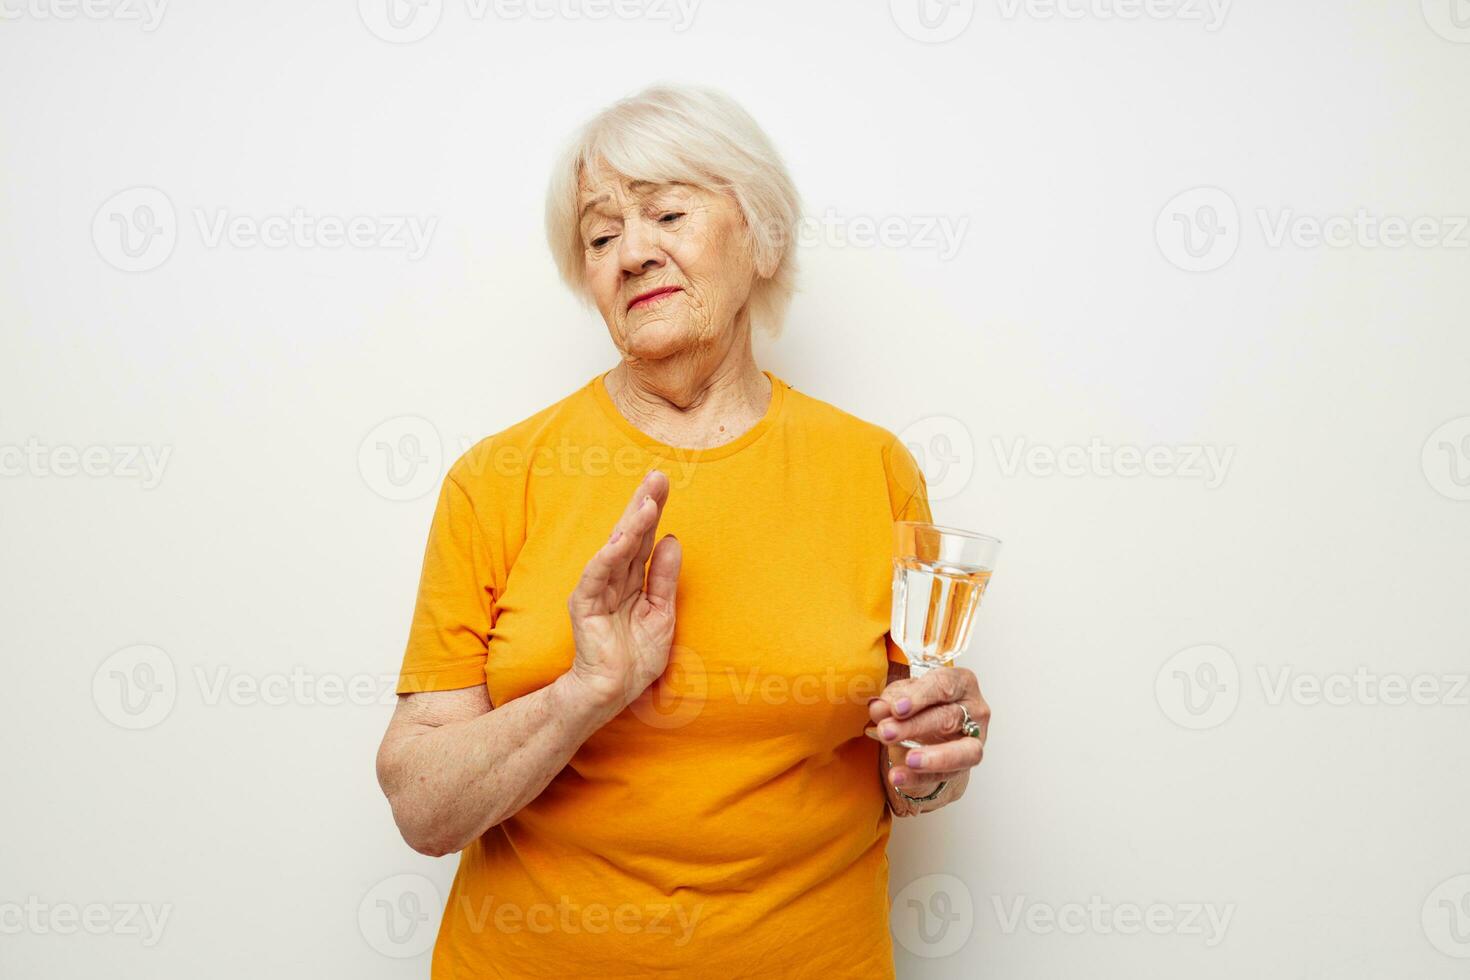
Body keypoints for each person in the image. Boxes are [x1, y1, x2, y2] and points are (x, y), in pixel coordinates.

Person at [375, 82, 991, 979]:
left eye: (667, 212)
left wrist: (939, 757)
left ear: (763, 236)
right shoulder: (497, 478)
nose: (631, 253)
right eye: (599, 234)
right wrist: (584, 691)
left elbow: (914, 766)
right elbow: (421, 810)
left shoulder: (875, 470)